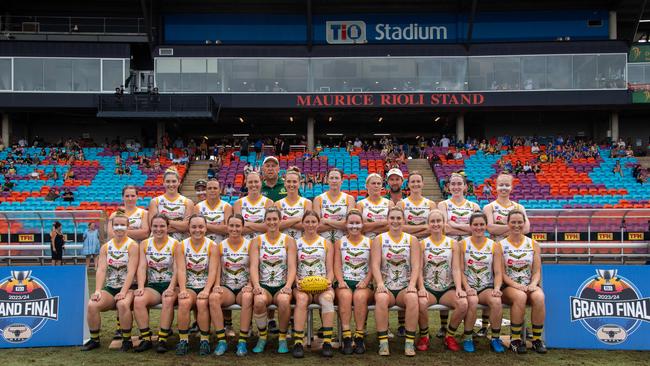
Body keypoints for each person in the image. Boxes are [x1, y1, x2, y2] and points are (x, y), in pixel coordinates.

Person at [82, 212, 139, 351]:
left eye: (123, 225)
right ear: (112, 227)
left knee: (123, 304)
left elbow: (131, 271)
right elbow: (101, 270)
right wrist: (97, 290)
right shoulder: (106, 247)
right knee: (92, 305)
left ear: (128, 226)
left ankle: (126, 340)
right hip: (111, 286)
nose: (119, 228)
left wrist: (124, 292)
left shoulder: (132, 246)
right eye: (116, 225)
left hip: (129, 287)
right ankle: (95, 340)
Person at [371, 207, 421, 356]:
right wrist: (379, 284)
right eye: (392, 218)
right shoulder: (379, 239)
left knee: (412, 297)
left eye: (398, 218)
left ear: (403, 220)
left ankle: (410, 343)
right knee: (380, 298)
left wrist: (412, 284)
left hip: (404, 287)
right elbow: (375, 264)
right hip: (386, 286)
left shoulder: (412, 239)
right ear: (387, 220)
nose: (395, 221)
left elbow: (416, 265)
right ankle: (383, 342)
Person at [416, 210, 467, 352]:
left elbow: (456, 268)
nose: (436, 224)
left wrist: (458, 288)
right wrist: (421, 287)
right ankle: (424, 336)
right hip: (429, 288)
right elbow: (418, 269)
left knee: (463, 303)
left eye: (438, 221)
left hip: (446, 289)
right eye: (432, 221)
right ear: (428, 224)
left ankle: (449, 336)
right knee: (420, 302)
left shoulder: (453, 243)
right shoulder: (422, 244)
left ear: (444, 223)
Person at [249, 208, 297, 354]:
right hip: (264, 284)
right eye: (268, 219)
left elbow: (292, 266)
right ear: (265, 221)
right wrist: (256, 285)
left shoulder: (288, 240)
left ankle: (282, 338)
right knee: (258, 302)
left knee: (283, 301)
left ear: (280, 221)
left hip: (282, 284)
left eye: (274, 219)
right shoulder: (257, 241)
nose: (272, 222)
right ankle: (262, 336)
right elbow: (253, 266)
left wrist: (289, 285)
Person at [132, 214, 182, 353]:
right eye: (155, 226)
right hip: (153, 285)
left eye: (162, 226)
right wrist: (141, 287)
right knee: (138, 300)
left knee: (168, 299)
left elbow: (178, 269)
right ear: (151, 227)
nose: (158, 229)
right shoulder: (145, 243)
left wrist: (172, 287)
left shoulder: (175, 244)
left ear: (168, 227)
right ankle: (146, 338)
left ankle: (163, 339)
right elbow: (142, 267)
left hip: (172, 284)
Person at [500, 210, 547, 354]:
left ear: (524, 223)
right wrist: (517, 285)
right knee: (520, 297)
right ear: (507, 224)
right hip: (509, 286)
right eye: (513, 222)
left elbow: (537, 271)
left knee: (539, 297)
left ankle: (537, 340)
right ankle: (515, 340)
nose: (516, 225)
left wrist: (533, 284)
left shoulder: (533, 244)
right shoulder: (500, 245)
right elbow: (501, 274)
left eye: (519, 222)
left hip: (529, 284)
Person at [291, 211, 335, 358]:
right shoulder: (295, 243)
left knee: (327, 299)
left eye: (313, 222)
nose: (310, 225)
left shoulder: (326, 243)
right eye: (307, 222)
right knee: (302, 300)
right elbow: (292, 267)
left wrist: (328, 281)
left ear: (318, 223)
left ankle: (327, 342)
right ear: (302, 224)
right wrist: (296, 281)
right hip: (302, 286)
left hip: (322, 285)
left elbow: (330, 269)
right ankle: (298, 342)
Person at [459, 213, 505, 353]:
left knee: (496, 301)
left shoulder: (494, 246)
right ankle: (467, 337)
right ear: (470, 226)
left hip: (486, 286)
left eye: (481, 224)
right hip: (469, 285)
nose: (478, 227)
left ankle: (495, 338)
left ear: (486, 226)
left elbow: (498, 272)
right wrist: (467, 287)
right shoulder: (462, 244)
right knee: (472, 301)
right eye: (475, 224)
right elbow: (459, 270)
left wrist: (497, 288)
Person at [209, 214, 254, 357]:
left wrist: (250, 284)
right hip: (227, 287)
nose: (234, 229)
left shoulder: (250, 244)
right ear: (227, 227)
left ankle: (242, 341)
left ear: (243, 227)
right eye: (231, 226)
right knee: (214, 298)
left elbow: (254, 266)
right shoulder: (220, 245)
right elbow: (215, 268)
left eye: (237, 226)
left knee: (247, 297)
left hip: (244, 286)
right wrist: (216, 284)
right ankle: (221, 340)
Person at [175, 215, 219, 356]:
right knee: (184, 301)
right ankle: (183, 340)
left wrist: (206, 290)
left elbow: (213, 270)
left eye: (201, 227)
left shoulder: (212, 246)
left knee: (201, 303)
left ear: (206, 228)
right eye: (194, 227)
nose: (197, 230)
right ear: (189, 228)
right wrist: (182, 289)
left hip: (206, 285)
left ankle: (204, 340)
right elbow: (181, 270)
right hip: (190, 285)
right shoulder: (181, 245)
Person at [334, 209, 373, 355]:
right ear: (346, 224)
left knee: (359, 297)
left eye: (357, 223)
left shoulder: (370, 242)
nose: (354, 226)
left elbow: (373, 266)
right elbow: (337, 265)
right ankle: (346, 337)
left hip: (363, 282)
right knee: (344, 296)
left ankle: (359, 336)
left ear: (362, 224)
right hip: (345, 280)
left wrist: (366, 280)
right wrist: (340, 281)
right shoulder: (339, 242)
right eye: (351, 223)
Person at [149, 169, 194, 242]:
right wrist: (179, 224)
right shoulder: (155, 202)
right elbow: (153, 227)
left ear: (179, 182)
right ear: (163, 182)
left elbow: (187, 226)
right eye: (168, 181)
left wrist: (165, 222)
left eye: (174, 181)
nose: (171, 184)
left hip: (181, 242)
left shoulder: (188, 202)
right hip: (159, 242)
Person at [313, 168, 356, 244]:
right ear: (327, 180)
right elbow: (316, 227)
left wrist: (326, 221)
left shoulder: (349, 199)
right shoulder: (318, 199)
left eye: (337, 178)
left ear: (342, 180)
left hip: (343, 243)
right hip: (323, 243)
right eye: (331, 178)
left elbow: (349, 225)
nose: (334, 181)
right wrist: (340, 223)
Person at [484, 173, 530, 243]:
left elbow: (526, 229)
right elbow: (490, 228)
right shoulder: (489, 207)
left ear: (511, 187)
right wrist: (515, 228)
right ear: (496, 187)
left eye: (507, 185)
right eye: (501, 185)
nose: (504, 188)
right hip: (496, 247)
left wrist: (499, 230)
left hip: (515, 247)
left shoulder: (519, 207)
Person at [233, 172, 274, 240]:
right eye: (250, 182)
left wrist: (247, 224)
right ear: (246, 184)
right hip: (244, 245)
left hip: (263, 244)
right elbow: (237, 229)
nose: (253, 184)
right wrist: (260, 226)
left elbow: (269, 227)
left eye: (256, 181)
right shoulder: (238, 203)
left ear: (261, 183)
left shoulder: (269, 202)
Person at [399, 171, 437, 239]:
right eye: (413, 181)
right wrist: (425, 227)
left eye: (418, 181)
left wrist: (411, 231)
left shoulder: (431, 204)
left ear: (423, 184)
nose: (416, 184)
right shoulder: (401, 204)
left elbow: (434, 228)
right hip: (407, 242)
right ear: (408, 184)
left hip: (426, 242)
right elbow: (400, 227)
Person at [276, 168, 311, 240]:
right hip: (283, 244)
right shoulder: (278, 204)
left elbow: (308, 226)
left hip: (302, 244)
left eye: (294, 182)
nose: (291, 184)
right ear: (284, 183)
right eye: (288, 181)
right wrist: (298, 219)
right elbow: (276, 226)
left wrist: (285, 222)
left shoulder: (307, 203)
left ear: (299, 184)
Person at [194, 179, 232, 244]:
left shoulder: (227, 206)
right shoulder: (198, 207)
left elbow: (228, 229)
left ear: (220, 190)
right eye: (209, 188)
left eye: (215, 188)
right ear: (206, 191)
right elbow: (196, 230)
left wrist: (204, 225)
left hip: (222, 245)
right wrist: (219, 227)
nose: (212, 190)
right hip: (203, 245)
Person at [357, 173, 393, 241]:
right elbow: (359, 227)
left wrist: (369, 226)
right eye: (373, 183)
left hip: (386, 242)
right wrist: (382, 223)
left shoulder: (389, 203)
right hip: (367, 241)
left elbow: (392, 226)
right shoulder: (360, 204)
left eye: (378, 183)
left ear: (382, 186)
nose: (376, 186)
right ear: (367, 185)